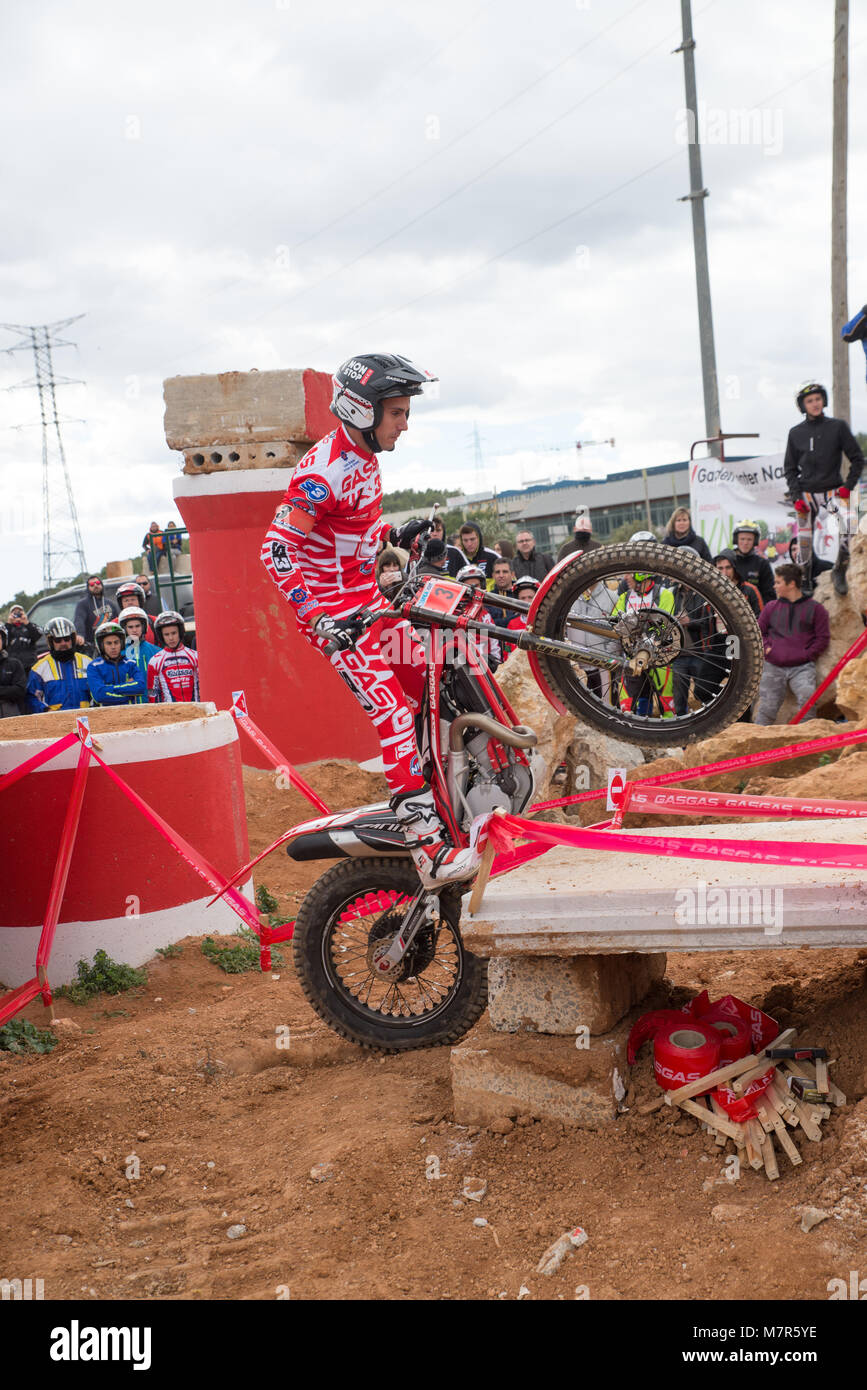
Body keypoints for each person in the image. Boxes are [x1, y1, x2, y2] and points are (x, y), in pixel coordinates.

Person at [260, 351, 482, 888]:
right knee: (394, 715)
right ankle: (427, 849)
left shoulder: (366, 459)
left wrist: (396, 539)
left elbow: (345, 537)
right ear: (363, 411)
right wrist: (319, 621)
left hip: (371, 606)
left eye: (406, 412)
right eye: (398, 413)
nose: (406, 424)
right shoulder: (323, 471)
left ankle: (461, 802)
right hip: (340, 622)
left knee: (439, 675)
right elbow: (276, 551)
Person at [784, 381, 865, 596]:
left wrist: (848, 487)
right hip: (806, 492)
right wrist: (796, 497)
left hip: (834, 491)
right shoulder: (795, 433)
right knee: (803, 538)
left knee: (849, 527)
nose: (815, 404)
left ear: (824, 400)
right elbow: (789, 469)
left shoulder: (837, 427)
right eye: (809, 401)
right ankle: (805, 577)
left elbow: (858, 459)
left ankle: (840, 570)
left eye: (818, 399)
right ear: (803, 405)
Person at [754, 563, 830, 725]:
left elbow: (822, 638)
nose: (774, 586)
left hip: (802, 667)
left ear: (791, 584)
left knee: (807, 702)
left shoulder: (816, 609)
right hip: (773, 666)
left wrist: (807, 655)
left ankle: (807, 745)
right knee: (767, 708)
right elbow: (759, 632)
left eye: (778, 582)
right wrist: (768, 649)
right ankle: (755, 745)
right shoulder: (771, 607)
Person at [610, 557, 676, 716]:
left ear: (641, 573)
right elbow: (614, 623)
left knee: (666, 703)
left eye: (629, 573)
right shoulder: (624, 597)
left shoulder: (664, 594)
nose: (625, 578)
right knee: (626, 706)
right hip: (632, 655)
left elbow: (666, 626)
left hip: (659, 657)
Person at [27, 617, 91, 713]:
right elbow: (32, 698)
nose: (63, 643)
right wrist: (46, 711)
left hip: (85, 720)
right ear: (51, 642)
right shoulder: (39, 669)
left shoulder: (88, 663)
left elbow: (97, 694)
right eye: (58, 640)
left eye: (66, 639)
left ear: (72, 639)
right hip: (54, 722)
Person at [86, 622, 147, 706]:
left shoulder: (131, 664)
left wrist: (108, 689)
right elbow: (99, 695)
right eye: (109, 643)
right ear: (101, 646)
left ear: (121, 644)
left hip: (130, 715)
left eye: (116, 642)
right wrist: (129, 693)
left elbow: (141, 687)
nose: (113, 647)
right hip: (105, 716)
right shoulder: (94, 667)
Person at [456, 563, 502, 671]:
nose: (473, 590)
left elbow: (495, 645)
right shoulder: (453, 614)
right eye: (469, 586)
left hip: (486, 670)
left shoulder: (486, 616)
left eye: (476, 586)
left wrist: (496, 665)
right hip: (463, 670)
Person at [147, 611, 199, 703]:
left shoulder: (195, 656)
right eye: (166, 635)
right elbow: (153, 694)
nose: (171, 638)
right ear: (161, 636)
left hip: (196, 710)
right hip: (170, 713)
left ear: (180, 632)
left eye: (174, 633)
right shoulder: (154, 661)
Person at [118, 607, 160, 701]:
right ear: (124, 629)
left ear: (143, 627)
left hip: (151, 705)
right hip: (128, 705)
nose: (134, 630)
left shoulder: (156, 651)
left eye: (137, 626)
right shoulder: (118, 653)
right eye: (130, 627)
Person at [730, 521, 775, 606]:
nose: (745, 543)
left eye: (749, 539)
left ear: (755, 541)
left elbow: (769, 595)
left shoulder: (763, 564)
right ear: (736, 540)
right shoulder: (728, 561)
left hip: (755, 613)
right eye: (742, 539)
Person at [74, 576, 117, 653]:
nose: (95, 586)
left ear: (102, 585)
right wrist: (80, 635)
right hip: (93, 647)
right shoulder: (83, 604)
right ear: (88, 588)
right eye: (91, 584)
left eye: (97, 583)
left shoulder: (110, 603)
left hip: (112, 643)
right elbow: (79, 620)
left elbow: (117, 621)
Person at [714, 550, 761, 617]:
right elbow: (705, 623)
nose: (724, 573)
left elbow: (760, 620)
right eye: (720, 568)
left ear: (735, 568)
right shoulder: (711, 590)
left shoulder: (751, 590)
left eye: (728, 567)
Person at [0, 623, 28, 718]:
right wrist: (7, 690)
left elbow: (20, 690)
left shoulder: (14, 664)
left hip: (11, 717)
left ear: (4, 640)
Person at [4, 605, 42, 673]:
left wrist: (26, 622)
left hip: (30, 664)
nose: (17, 614)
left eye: (19, 612)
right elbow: (4, 639)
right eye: (14, 613)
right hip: (13, 666)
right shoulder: (7, 627)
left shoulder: (30, 626)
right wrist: (9, 622)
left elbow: (36, 636)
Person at [486, 557, 516, 627]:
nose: (501, 575)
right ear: (493, 576)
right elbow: (488, 625)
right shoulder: (488, 598)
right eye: (497, 572)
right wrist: (513, 618)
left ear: (512, 574)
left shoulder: (520, 595)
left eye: (505, 572)